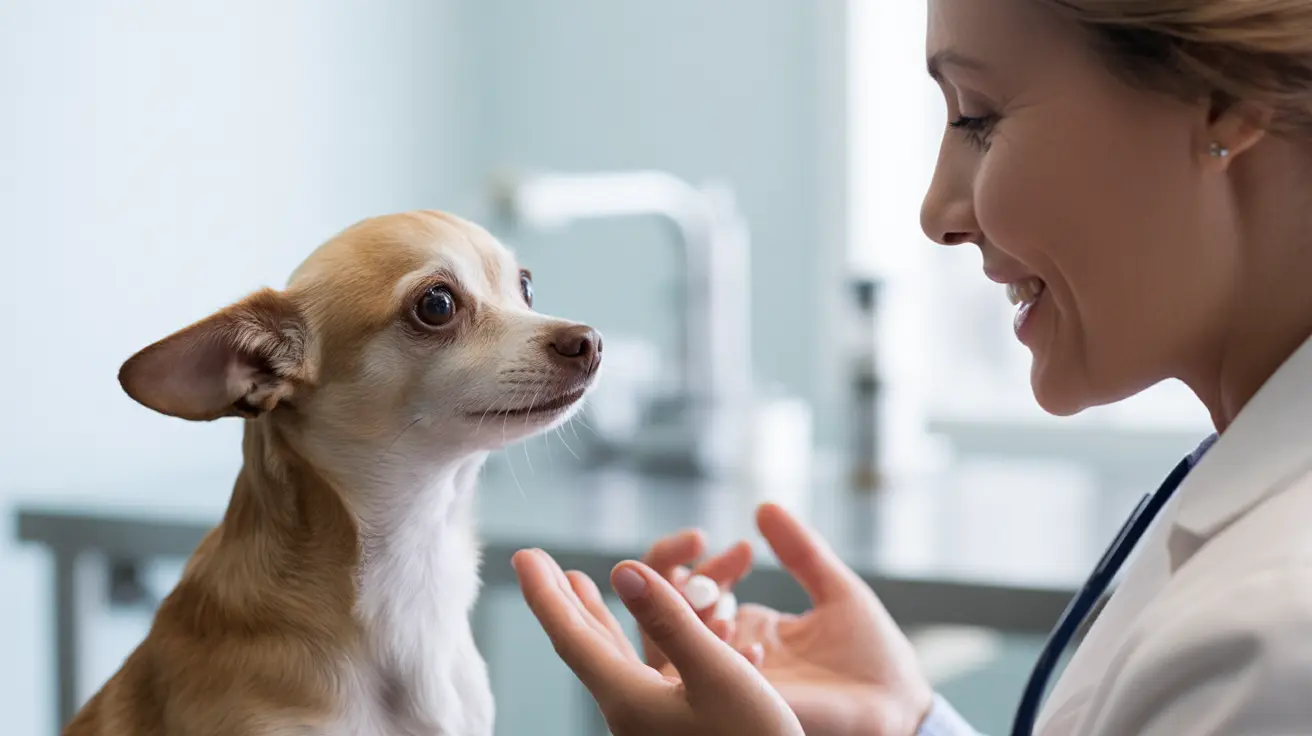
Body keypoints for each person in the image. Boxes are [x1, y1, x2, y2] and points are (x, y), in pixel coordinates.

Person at [513, 0, 1312, 733]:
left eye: (979, 117)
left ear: (1224, 96)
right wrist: (908, 721)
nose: (937, 213)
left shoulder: (1271, 642)